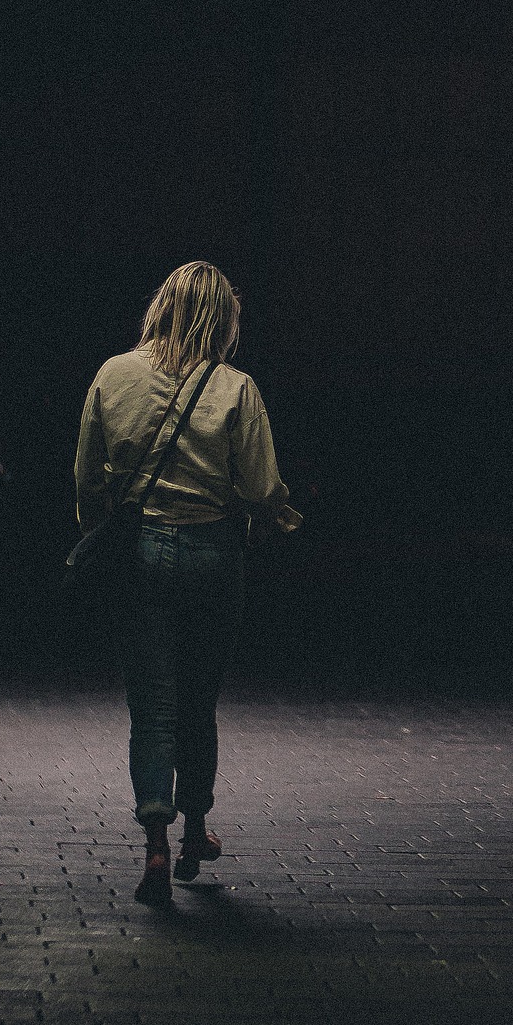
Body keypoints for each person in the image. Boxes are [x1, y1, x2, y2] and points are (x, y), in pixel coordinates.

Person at [74, 262, 300, 906]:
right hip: (212, 553)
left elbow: (89, 476)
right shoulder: (236, 388)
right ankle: (198, 828)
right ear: (222, 319)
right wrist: (281, 515)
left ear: (162, 309)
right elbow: (260, 488)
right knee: (198, 700)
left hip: (138, 553)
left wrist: (102, 535)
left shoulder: (113, 375)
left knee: (151, 704)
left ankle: (154, 843)